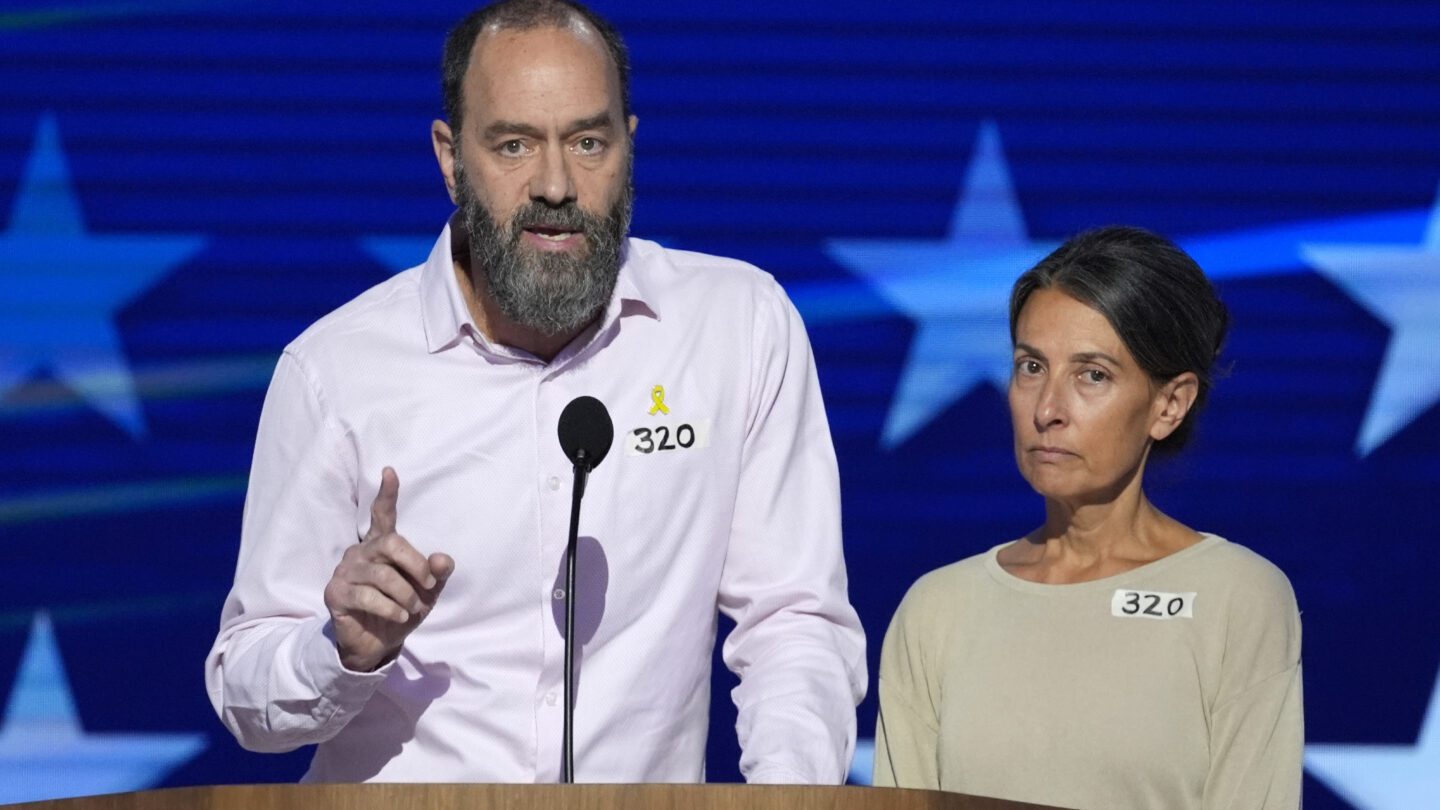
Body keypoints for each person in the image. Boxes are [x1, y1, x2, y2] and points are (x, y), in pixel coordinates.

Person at [204, 0, 865, 784]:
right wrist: (340, 648)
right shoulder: (336, 372)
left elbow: (793, 622)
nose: (555, 184)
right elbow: (244, 692)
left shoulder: (737, 328)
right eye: (513, 145)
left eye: (589, 141)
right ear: (450, 158)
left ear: (630, 145)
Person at [873, 227, 1302, 808]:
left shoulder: (1237, 598)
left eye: (1092, 374)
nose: (1048, 409)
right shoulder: (938, 609)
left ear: (1169, 404)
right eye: (1030, 366)